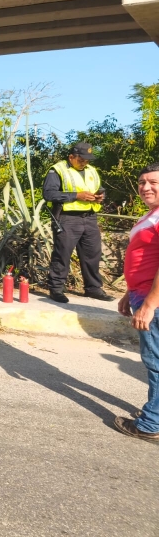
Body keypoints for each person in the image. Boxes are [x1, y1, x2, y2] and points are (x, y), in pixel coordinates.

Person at [115, 162, 159, 441]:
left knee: (155, 360)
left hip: (153, 297)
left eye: (153, 182)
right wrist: (128, 293)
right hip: (142, 292)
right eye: (142, 182)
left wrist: (149, 304)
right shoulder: (152, 215)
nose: (145, 187)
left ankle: (151, 424)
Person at [42, 142, 114, 303]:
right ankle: (56, 289)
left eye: (87, 160)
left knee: (92, 254)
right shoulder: (57, 170)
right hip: (67, 218)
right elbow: (48, 194)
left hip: (90, 217)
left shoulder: (91, 170)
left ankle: (93, 288)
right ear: (71, 157)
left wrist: (101, 196)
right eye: (81, 159)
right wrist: (76, 195)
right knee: (63, 253)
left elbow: (100, 187)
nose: (85, 163)